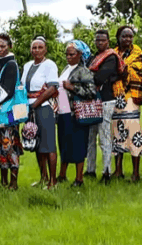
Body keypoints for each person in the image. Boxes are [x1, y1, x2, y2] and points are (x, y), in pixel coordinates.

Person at [87, 29, 125, 183]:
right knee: (90, 137)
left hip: (106, 100)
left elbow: (99, 78)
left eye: (103, 40)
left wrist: (88, 78)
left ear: (108, 42)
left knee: (104, 137)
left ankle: (106, 172)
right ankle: (90, 170)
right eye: (97, 40)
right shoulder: (93, 58)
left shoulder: (110, 57)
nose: (100, 43)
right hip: (92, 100)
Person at [22, 36, 59, 189]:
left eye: (40, 47)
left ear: (45, 50)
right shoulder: (27, 66)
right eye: (34, 47)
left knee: (48, 144)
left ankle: (53, 181)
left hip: (43, 107)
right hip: (29, 109)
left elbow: (52, 88)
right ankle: (43, 178)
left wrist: (35, 104)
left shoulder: (49, 65)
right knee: (37, 144)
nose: (36, 50)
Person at [57, 40, 97, 187]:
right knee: (64, 143)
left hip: (77, 114)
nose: (68, 57)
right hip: (63, 112)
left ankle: (79, 178)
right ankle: (62, 175)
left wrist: (72, 88)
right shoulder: (66, 68)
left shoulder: (83, 71)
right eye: (67, 54)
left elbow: (91, 92)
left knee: (78, 144)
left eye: (72, 54)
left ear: (80, 54)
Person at [111, 25, 142, 182]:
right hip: (116, 96)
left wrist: (123, 70)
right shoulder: (113, 53)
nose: (127, 39)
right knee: (117, 132)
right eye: (124, 36)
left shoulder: (137, 53)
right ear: (118, 38)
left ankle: (136, 173)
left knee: (134, 133)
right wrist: (120, 71)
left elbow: (137, 72)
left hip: (132, 96)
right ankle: (118, 170)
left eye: (130, 36)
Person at [0, 32, 23, 190]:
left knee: (11, 147)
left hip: (8, 113)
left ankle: (13, 182)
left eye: (3, 46)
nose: (0, 49)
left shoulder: (11, 64)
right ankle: (3, 181)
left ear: (9, 46)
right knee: (0, 147)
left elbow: (7, 91)